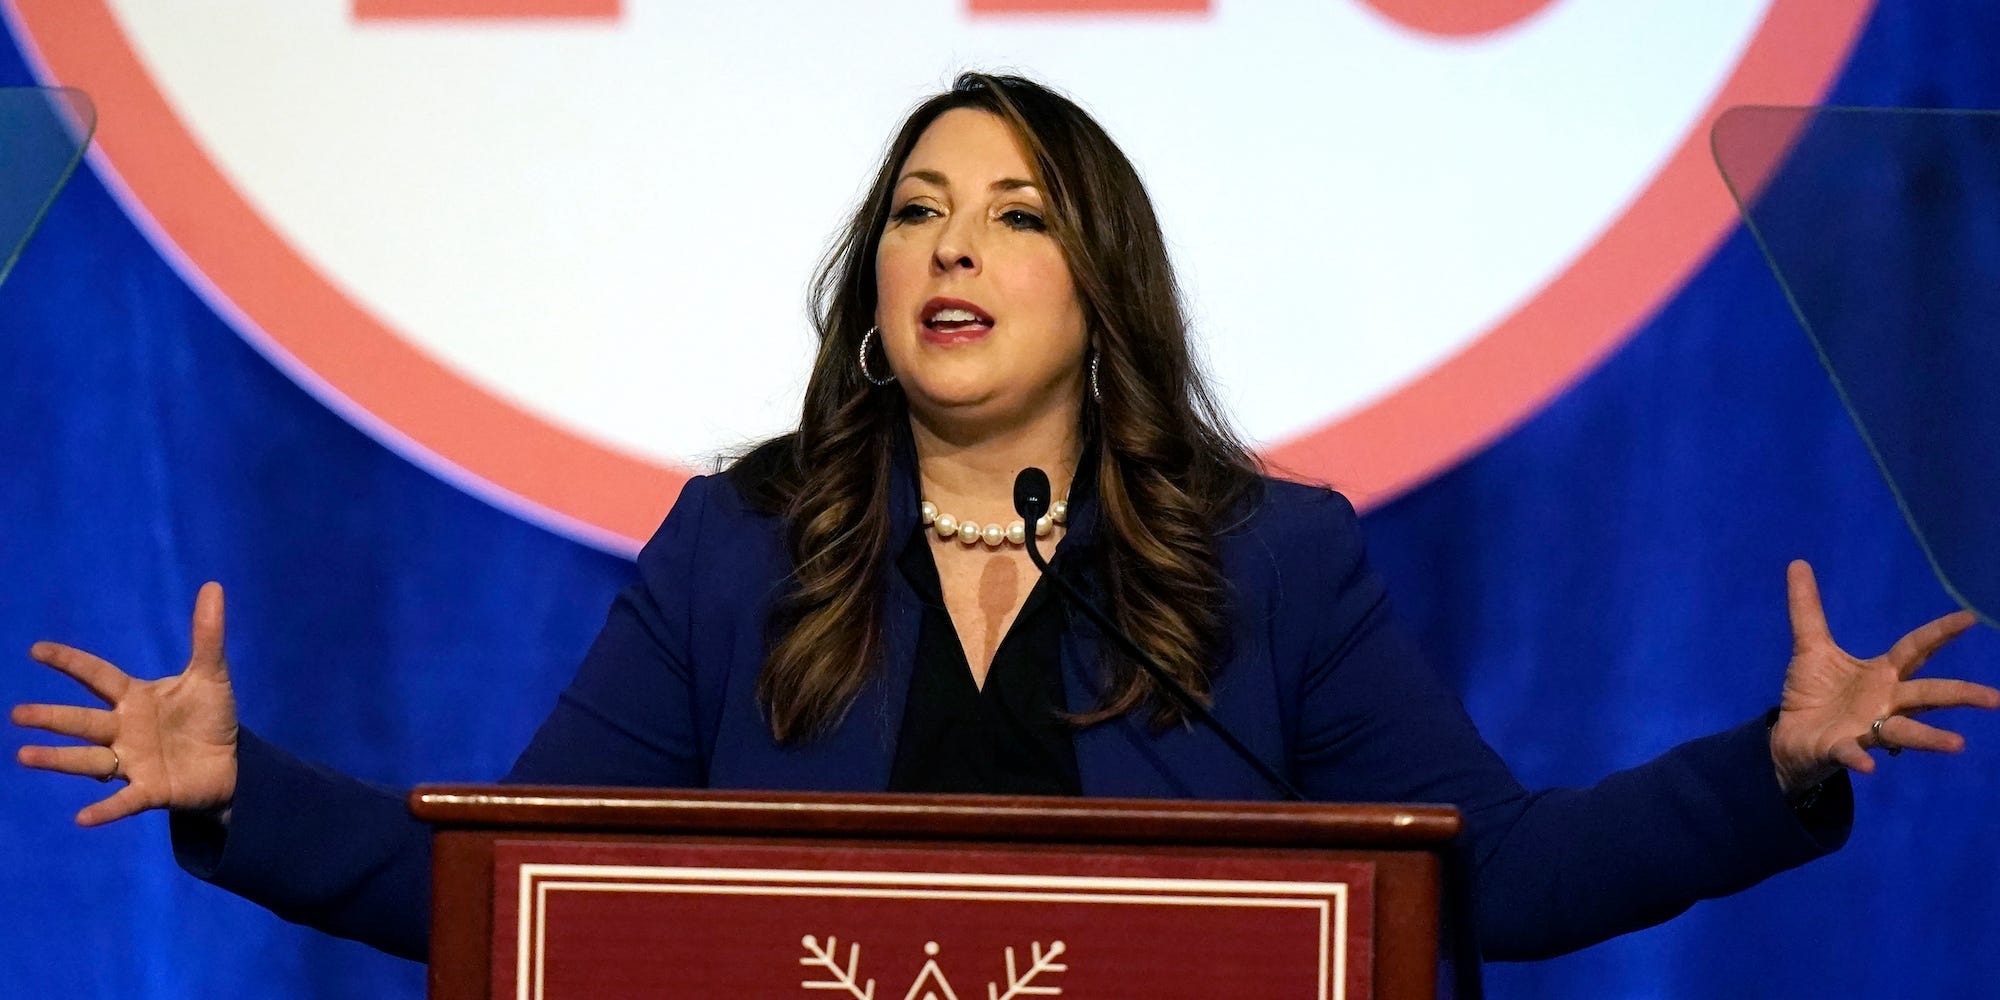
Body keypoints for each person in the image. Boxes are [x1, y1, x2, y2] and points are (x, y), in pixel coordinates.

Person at [12, 73, 1998, 984]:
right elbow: (541, 891)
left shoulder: (1269, 558)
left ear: (1096, 283)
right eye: (913, 208)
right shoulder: (739, 548)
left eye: (1014, 209)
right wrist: (236, 793)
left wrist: (1769, 769)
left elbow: (1499, 881)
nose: (948, 239)